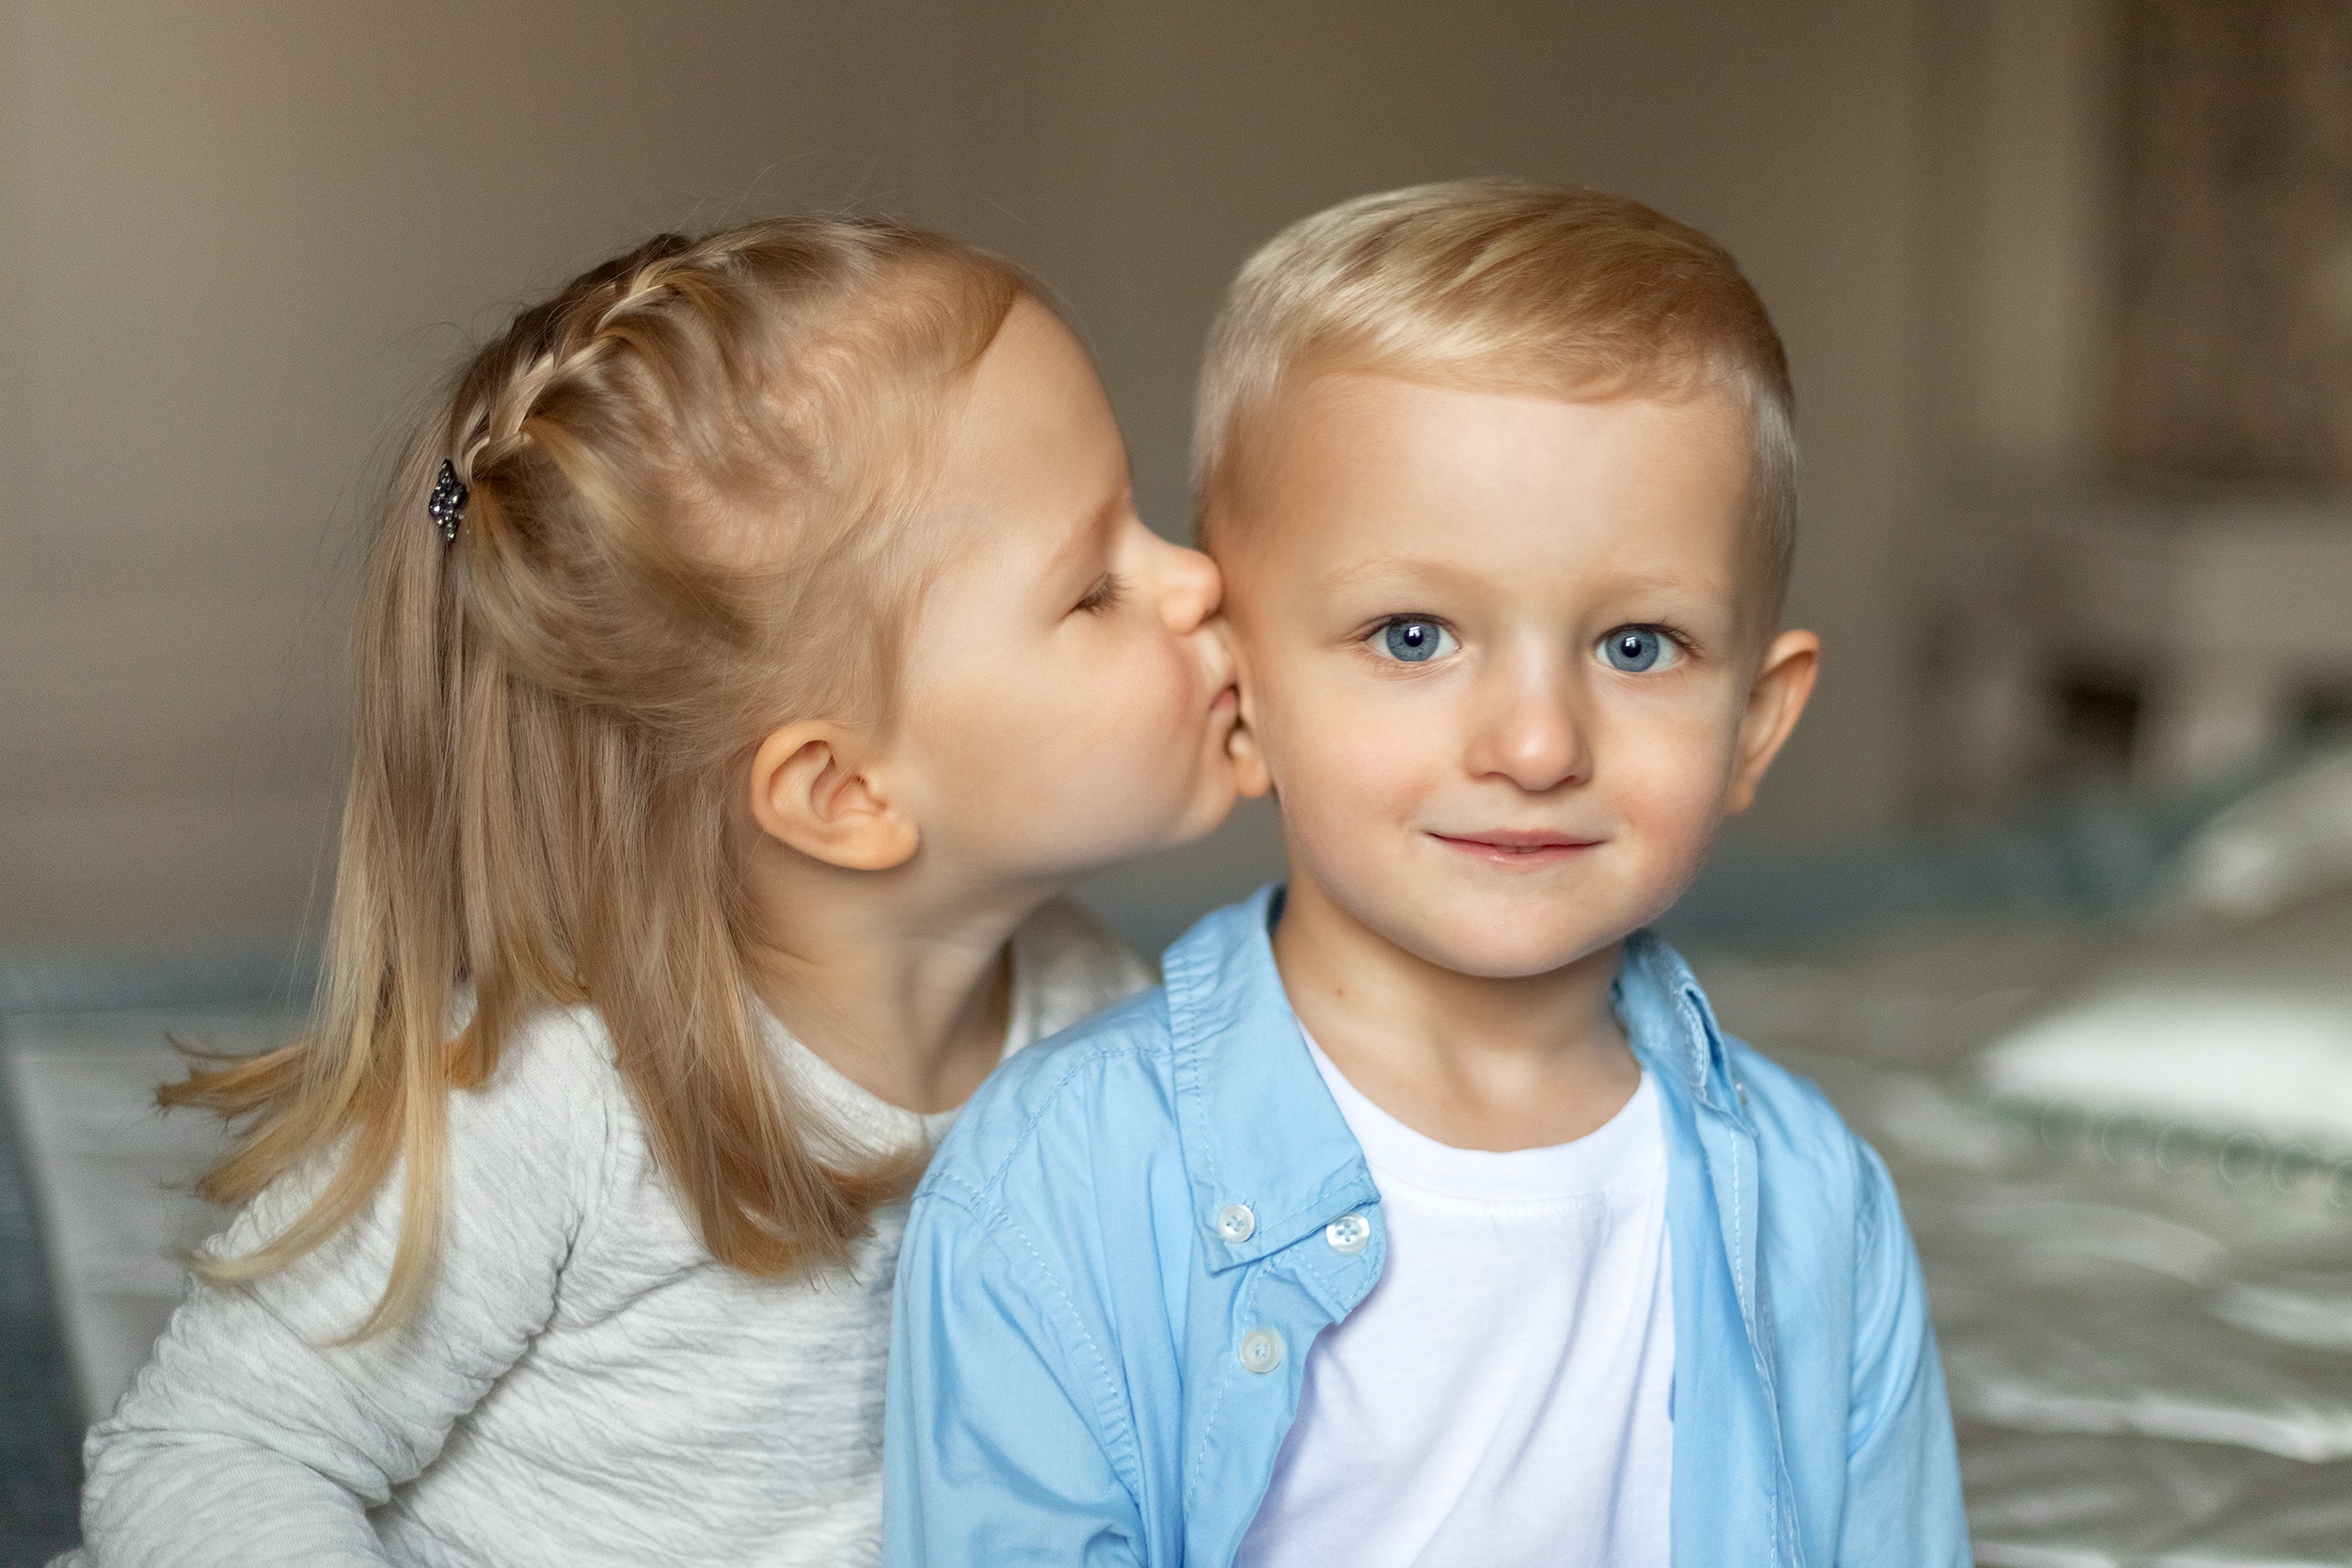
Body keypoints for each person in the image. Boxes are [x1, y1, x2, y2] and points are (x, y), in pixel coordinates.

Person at [70, 215, 1241, 1568]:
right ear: (845, 793)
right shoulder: (543, 1110)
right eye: (1096, 586)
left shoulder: (1107, 1016)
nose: (1199, 575)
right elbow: (211, 1453)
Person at [884, 180, 1969, 1567]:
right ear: (1239, 689)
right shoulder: (1063, 1183)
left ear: (1755, 722)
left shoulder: (1819, 1203)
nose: (1534, 744)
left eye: (1637, 646)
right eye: (1412, 636)